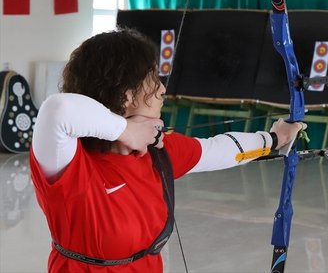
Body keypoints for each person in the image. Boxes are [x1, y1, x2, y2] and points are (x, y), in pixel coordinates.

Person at [30, 28, 304, 272]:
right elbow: (57, 110)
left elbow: (216, 150)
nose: (162, 89)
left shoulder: (156, 151)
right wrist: (127, 131)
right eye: (152, 78)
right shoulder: (68, 161)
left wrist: (272, 139)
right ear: (125, 93)